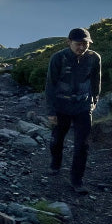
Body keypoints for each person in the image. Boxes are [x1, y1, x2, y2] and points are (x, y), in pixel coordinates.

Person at [44, 27, 101, 194]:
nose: (82, 47)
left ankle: (77, 180)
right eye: (78, 44)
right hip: (61, 107)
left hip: (83, 107)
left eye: (86, 44)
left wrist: (94, 102)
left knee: (82, 145)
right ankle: (56, 164)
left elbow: (96, 81)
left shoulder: (94, 58)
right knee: (57, 140)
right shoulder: (58, 58)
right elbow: (50, 85)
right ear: (69, 42)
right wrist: (51, 111)